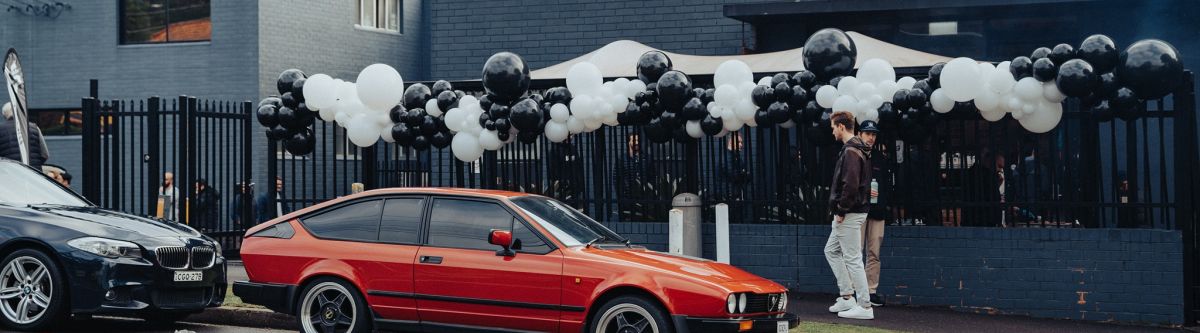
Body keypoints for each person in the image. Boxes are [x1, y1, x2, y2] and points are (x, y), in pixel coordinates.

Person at [823, 111, 874, 320]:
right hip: (849, 212)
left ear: (841, 127)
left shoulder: (852, 151)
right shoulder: (855, 149)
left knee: (852, 259)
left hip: (849, 213)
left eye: (834, 127)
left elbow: (851, 185)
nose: (833, 131)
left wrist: (841, 210)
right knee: (831, 250)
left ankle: (864, 305)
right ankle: (846, 296)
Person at [858, 120, 890, 307]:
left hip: (877, 211)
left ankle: (870, 290)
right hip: (858, 210)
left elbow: (885, 185)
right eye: (868, 133)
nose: (871, 137)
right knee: (856, 252)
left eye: (874, 134)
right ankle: (855, 291)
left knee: (874, 252)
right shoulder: (853, 154)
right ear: (860, 134)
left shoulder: (879, 157)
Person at [0, 102, 49, 168]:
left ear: (5, 115)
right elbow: (45, 154)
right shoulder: (35, 127)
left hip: (10, 173)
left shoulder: (1, 129)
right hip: (33, 173)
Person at [613, 133, 650, 221]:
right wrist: (622, 195)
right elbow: (616, 178)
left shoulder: (647, 158)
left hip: (643, 197)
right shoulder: (622, 159)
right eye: (634, 140)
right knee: (628, 219)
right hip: (627, 197)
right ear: (629, 142)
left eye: (638, 140)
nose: (636, 142)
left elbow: (652, 176)